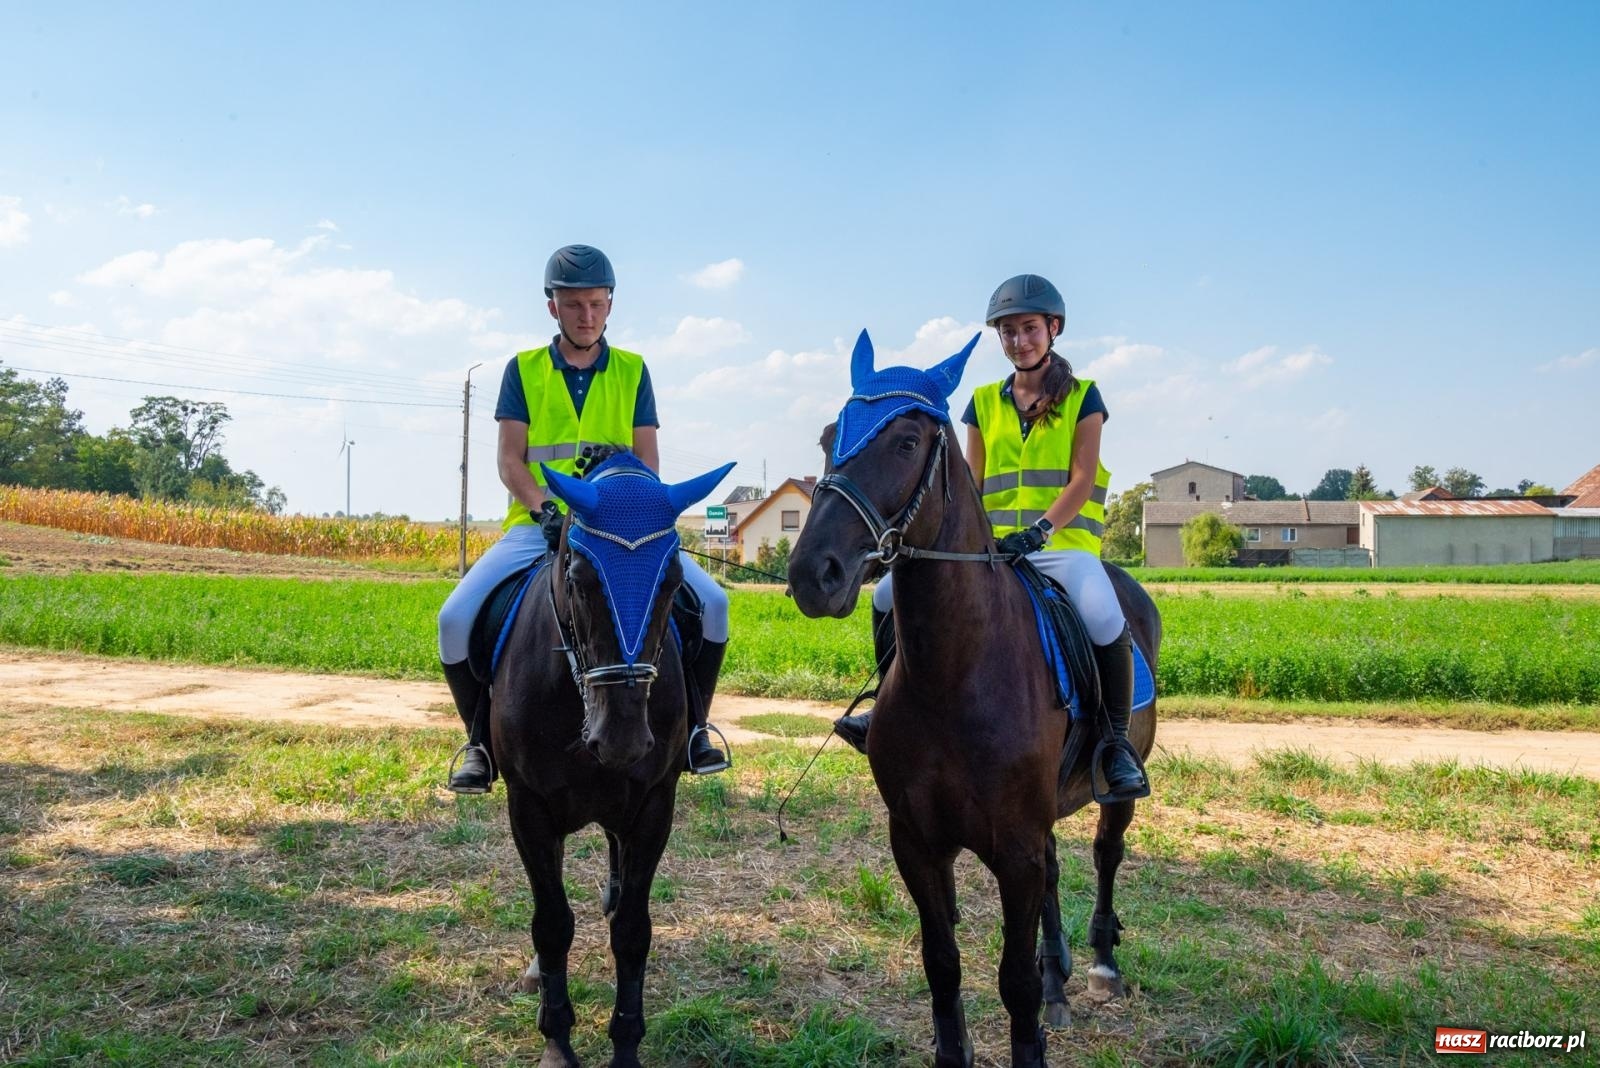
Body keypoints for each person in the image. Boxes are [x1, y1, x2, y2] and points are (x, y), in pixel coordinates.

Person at [833, 273, 1149, 801]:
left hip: (1063, 548)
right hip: (991, 549)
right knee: (888, 594)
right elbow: (973, 484)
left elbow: (1083, 479)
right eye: (1008, 332)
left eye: (1028, 329)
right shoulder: (981, 402)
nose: (1019, 341)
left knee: (1101, 610)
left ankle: (1116, 743)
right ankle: (883, 704)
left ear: (1053, 329)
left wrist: (1042, 530)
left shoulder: (1084, 398)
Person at [437, 244, 732, 793]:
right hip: (536, 529)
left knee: (714, 606)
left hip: (619, 532)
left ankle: (696, 731)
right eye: (574, 305)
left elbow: (649, 464)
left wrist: (625, 490)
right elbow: (510, 460)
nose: (587, 315)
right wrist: (544, 509)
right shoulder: (522, 370)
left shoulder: (633, 371)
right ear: (553, 307)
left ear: (610, 304)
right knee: (453, 620)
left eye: (596, 304)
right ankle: (479, 742)